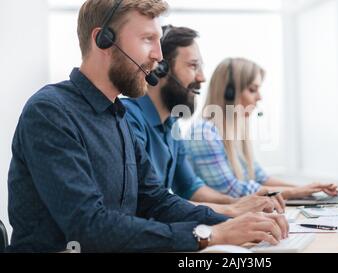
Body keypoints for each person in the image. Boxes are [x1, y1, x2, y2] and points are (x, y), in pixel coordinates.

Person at [6, 0, 287, 253]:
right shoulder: (51, 111)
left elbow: (156, 201)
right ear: (103, 40)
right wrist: (207, 235)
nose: (158, 56)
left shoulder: (118, 116)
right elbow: (88, 227)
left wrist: (234, 221)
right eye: (147, 39)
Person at [122, 25, 285, 217]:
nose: (202, 77)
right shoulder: (128, 120)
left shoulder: (171, 125)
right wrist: (231, 210)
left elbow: (190, 187)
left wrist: (239, 203)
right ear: (160, 69)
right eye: (193, 66)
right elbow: (153, 202)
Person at [185, 57, 338, 199]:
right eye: (252, 90)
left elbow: (260, 177)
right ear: (229, 93)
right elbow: (230, 190)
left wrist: (308, 189)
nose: (259, 97)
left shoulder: (235, 132)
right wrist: (294, 193)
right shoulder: (204, 132)